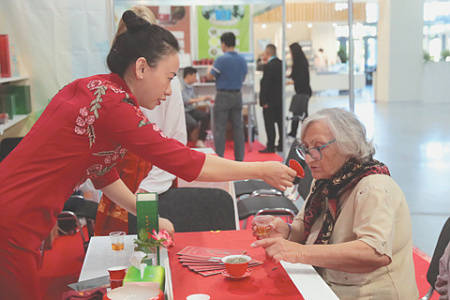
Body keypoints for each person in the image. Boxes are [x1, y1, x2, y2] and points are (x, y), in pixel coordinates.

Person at [0, 11, 296, 299]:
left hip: (18, 217)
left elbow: (103, 174)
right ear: (141, 68)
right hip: (12, 223)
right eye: (168, 78)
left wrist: (147, 214)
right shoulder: (115, 107)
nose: (169, 91)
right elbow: (186, 162)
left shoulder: (94, 89)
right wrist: (259, 170)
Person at [251, 108, 419, 299]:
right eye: (306, 148)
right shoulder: (327, 180)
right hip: (328, 285)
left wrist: (300, 252)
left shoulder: (373, 187)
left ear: (347, 145)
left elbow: (373, 253)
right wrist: (287, 231)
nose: (308, 158)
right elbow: (306, 228)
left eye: (318, 148)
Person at [94, 5, 188, 236]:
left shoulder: (167, 82)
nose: (165, 91)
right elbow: (95, 158)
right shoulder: (108, 88)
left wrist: (150, 187)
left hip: (155, 173)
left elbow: (175, 141)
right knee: (116, 249)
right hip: (119, 174)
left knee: (154, 249)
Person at [206, 32, 247, 161]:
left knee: (220, 129)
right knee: (238, 128)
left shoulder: (221, 59)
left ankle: (220, 159)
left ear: (223, 44)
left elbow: (210, 76)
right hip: (237, 96)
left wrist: (209, 69)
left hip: (223, 96)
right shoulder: (242, 60)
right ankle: (239, 159)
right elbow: (243, 78)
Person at [258, 44, 283, 153]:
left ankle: (271, 145)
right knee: (280, 123)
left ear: (267, 53)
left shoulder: (268, 66)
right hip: (280, 100)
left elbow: (266, 85)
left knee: (269, 124)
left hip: (270, 101)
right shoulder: (282, 64)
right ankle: (281, 144)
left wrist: (263, 100)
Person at [181, 66, 212, 148]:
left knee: (205, 116)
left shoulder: (191, 86)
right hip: (183, 110)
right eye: (194, 76)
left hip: (190, 109)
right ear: (188, 76)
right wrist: (202, 98)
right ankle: (183, 140)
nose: (195, 79)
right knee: (192, 123)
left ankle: (200, 140)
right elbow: (187, 100)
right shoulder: (180, 85)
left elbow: (192, 99)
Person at [287, 43, 312, 139]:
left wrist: (291, 82)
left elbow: (301, 79)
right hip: (300, 91)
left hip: (304, 91)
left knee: (302, 113)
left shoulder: (301, 63)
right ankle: (295, 132)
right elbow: (295, 75)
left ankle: (307, 132)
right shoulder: (298, 62)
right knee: (298, 112)